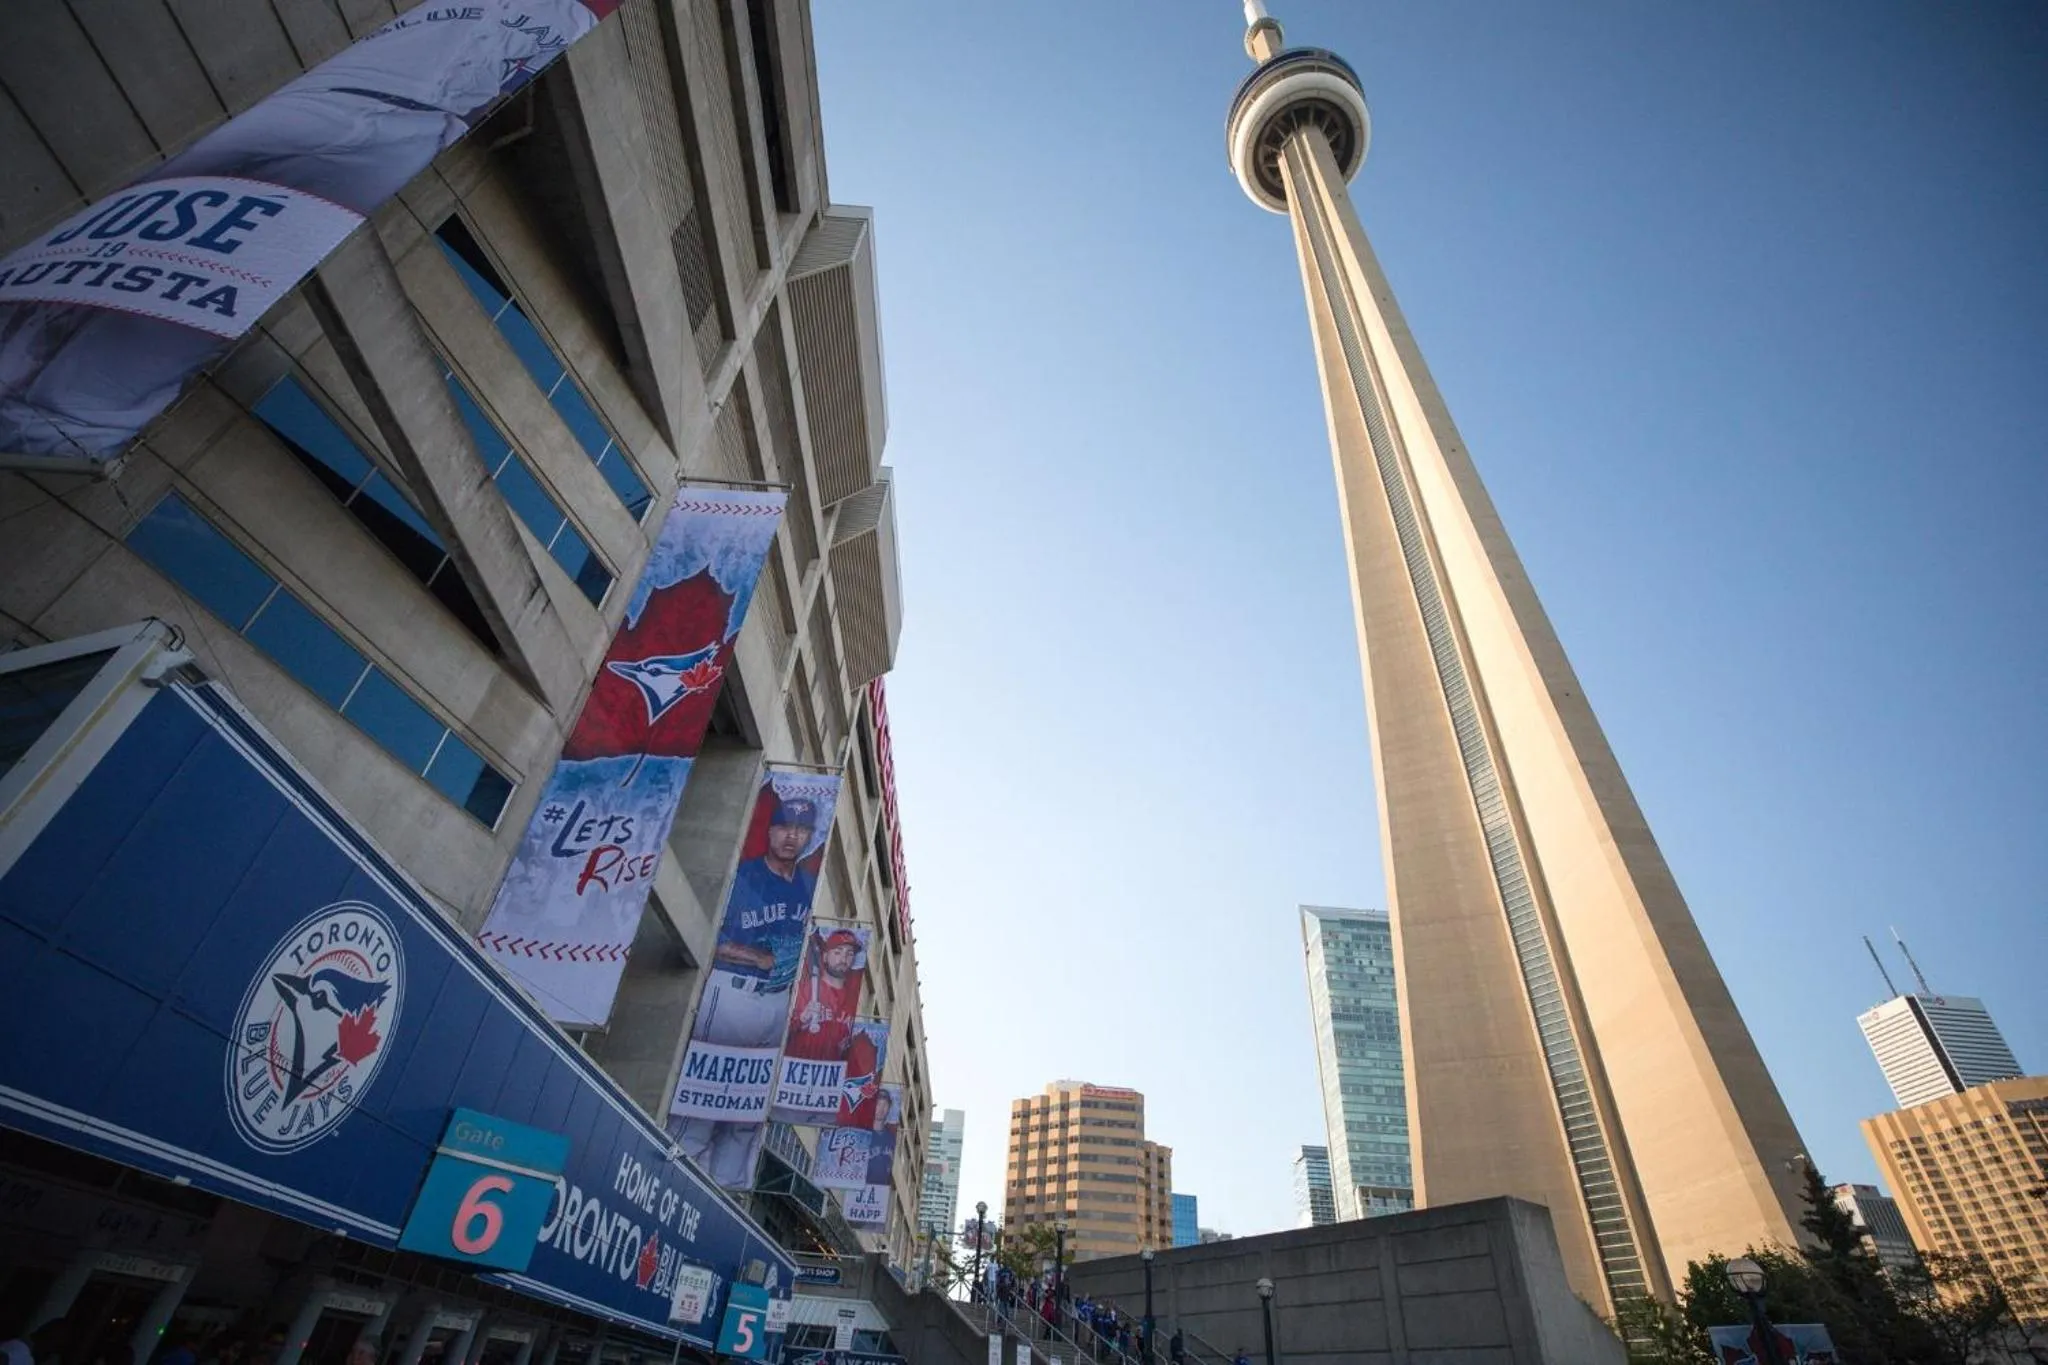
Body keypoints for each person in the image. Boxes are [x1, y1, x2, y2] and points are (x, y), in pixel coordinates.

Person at [784, 927, 863, 1060]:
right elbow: (779, 1034)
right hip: (794, 1068)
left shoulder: (853, 999)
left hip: (828, 1074)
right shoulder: (806, 989)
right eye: (837, 952)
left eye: (849, 954)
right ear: (825, 956)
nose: (843, 959)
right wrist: (802, 1019)